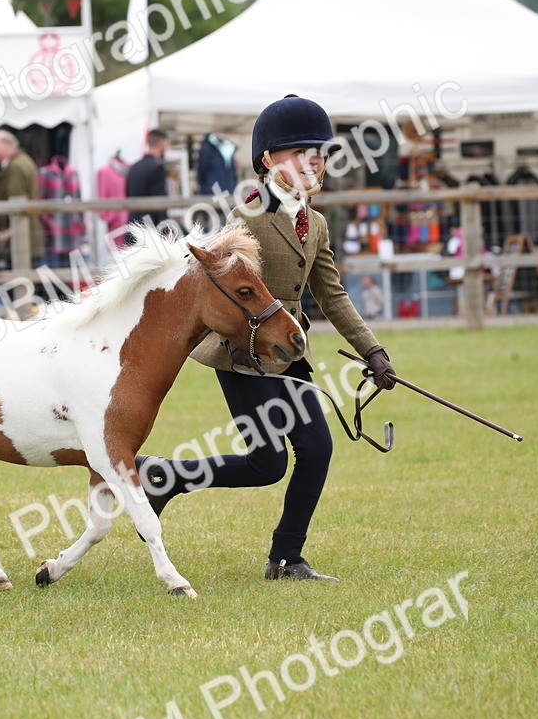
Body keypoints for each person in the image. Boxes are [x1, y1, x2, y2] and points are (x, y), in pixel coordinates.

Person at [136, 95, 397, 582]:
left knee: (315, 450)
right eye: (301, 151)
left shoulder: (314, 223)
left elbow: (333, 295)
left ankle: (285, 558)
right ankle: (164, 477)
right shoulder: (247, 217)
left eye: (319, 151)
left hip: (290, 351)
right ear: (268, 160)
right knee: (269, 462)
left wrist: (373, 351)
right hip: (242, 354)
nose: (315, 159)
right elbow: (217, 290)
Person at [0, 130, 42, 267]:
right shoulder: (22, 161)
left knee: (22, 280)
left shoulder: (16, 166)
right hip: (23, 234)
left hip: (19, 236)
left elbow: (16, 201)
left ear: (7, 145)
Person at [124, 129, 170, 228]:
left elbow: (127, 194)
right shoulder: (157, 167)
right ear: (162, 143)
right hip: (150, 227)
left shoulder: (134, 167)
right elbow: (160, 202)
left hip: (133, 225)